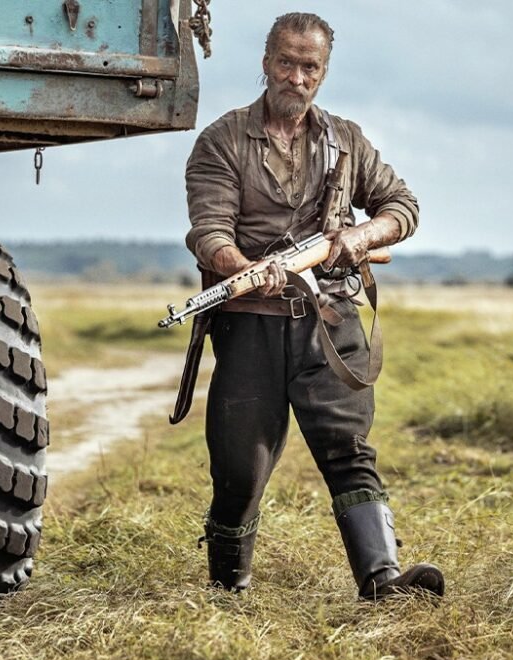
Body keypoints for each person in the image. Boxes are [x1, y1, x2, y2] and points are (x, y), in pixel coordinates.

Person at [184, 12, 444, 599]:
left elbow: (402, 206)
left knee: (348, 449)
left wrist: (361, 236)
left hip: (330, 322)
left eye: (309, 67)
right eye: (285, 62)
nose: (296, 78)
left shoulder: (346, 140)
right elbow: (209, 231)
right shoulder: (222, 140)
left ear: (323, 73)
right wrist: (245, 269)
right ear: (265, 62)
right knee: (239, 472)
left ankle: (381, 580)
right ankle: (228, 589)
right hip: (250, 325)